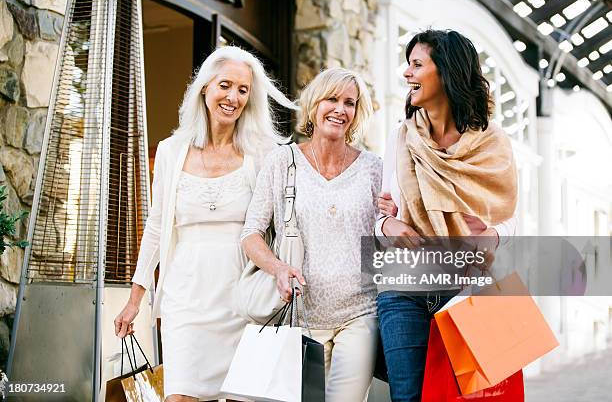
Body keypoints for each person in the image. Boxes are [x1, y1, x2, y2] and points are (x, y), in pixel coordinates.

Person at [113, 45, 296, 402]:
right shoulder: (170, 150)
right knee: (179, 395)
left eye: (243, 90)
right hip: (185, 299)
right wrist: (136, 298)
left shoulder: (263, 154)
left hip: (242, 300)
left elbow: (285, 220)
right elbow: (156, 226)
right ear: (204, 88)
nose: (233, 97)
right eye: (225, 85)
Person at [375, 29, 518, 402]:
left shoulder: (493, 142)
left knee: (472, 398)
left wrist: (492, 236)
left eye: (417, 64)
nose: (407, 74)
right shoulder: (400, 137)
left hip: (469, 285)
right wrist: (387, 224)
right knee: (407, 397)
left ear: (448, 72)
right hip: (403, 288)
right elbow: (379, 214)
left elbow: (511, 218)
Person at [241, 67, 381, 401]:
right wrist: (277, 268)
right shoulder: (282, 162)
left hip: (359, 313)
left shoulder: (373, 168)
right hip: (299, 316)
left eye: (349, 102)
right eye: (332, 99)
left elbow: (385, 236)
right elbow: (251, 234)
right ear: (314, 105)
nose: (340, 109)